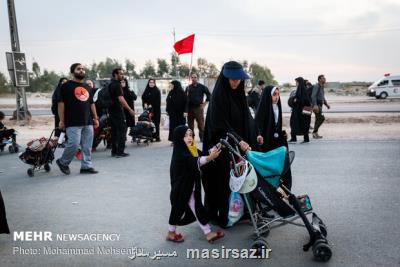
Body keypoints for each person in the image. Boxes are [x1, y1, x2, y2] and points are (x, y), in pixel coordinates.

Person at [202, 61, 254, 228]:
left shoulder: (239, 95)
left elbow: (247, 119)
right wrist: (238, 139)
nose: (235, 82)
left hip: (238, 146)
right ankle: (221, 215)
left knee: (241, 178)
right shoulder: (218, 96)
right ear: (225, 78)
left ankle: (241, 211)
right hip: (221, 147)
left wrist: (256, 134)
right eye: (232, 79)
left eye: (238, 79)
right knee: (222, 181)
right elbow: (220, 125)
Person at [167, 125, 224, 243]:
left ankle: (173, 232)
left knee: (195, 207)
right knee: (180, 208)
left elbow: (202, 155)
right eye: (185, 135)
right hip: (182, 187)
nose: (189, 138)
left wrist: (214, 149)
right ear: (179, 138)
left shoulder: (191, 149)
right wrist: (209, 157)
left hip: (190, 186)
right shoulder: (180, 153)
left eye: (190, 135)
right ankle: (206, 233)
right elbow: (196, 161)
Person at [56, 63, 99, 175]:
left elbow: (91, 103)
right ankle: (63, 162)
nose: (81, 70)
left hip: (87, 121)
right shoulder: (66, 86)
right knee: (74, 144)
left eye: (83, 69)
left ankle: (86, 166)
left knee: (87, 146)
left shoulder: (87, 87)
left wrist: (95, 118)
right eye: (78, 69)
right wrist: (61, 120)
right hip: (73, 121)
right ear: (72, 71)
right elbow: (61, 104)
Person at [255, 86, 292, 189]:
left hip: (276, 141)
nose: (276, 97)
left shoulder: (277, 108)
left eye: (278, 94)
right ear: (268, 96)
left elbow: (276, 126)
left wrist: (281, 133)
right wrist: (258, 135)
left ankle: (284, 189)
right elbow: (257, 126)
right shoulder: (263, 108)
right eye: (274, 94)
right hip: (266, 143)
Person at [108, 68, 135, 157]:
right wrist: (129, 109)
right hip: (117, 111)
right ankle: (120, 151)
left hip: (111, 111)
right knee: (122, 130)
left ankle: (114, 151)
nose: (122, 76)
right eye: (120, 74)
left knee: (115, 131)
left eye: (123, 74)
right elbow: (121, 99)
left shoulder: (110, 84)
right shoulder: (117, 85)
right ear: (115, 75)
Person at [184, 73, 211, 142]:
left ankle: (202, 138)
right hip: (190, 109)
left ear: (197, 78)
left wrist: (205, 104)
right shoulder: (188, 88)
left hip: (198, 108)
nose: (193, 79)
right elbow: (185, 100)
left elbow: (209, 95)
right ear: (191, 79)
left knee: (201, 124)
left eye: (195, 77)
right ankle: (191, 138)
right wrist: (186, 111)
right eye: (192, 77)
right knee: (190, 126)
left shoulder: (202, 87)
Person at [289, 77, 311, 143]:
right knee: (294, 123)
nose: (296, 83)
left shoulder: (303, 90)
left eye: (297, 82)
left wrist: (296, 100)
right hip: (298, 110)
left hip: (302, 111)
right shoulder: (300, 89)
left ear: (299, 82)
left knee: (303, 124)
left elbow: (305, 100)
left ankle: (305, 139)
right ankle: (294, 138)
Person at [311, 74, 330, 139]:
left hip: (320, 105)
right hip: (317, 105)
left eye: (324, 78)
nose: (324, 79)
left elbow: (322, 97)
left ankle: (315, 133)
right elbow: (313, 96)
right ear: (319, 79)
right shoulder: (317, 86)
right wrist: (315, 105)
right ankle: (314, 132)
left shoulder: (322, 87)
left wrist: (326, 104)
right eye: (323, 78)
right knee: (321, 118)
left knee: (318, 119)